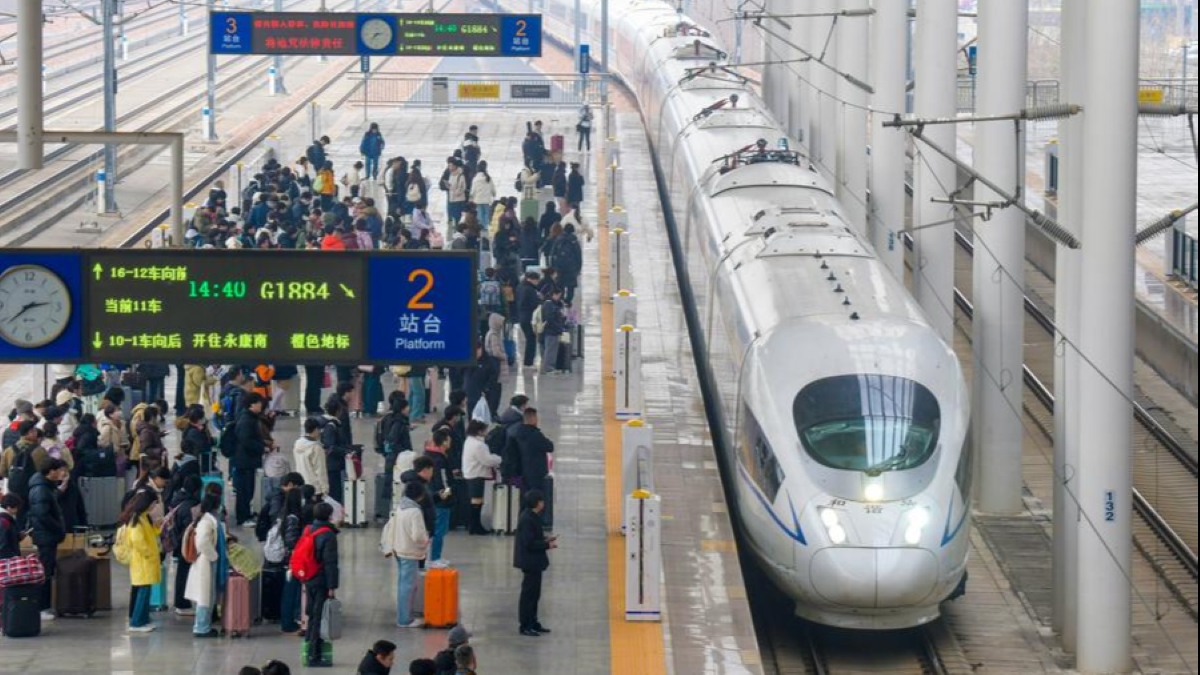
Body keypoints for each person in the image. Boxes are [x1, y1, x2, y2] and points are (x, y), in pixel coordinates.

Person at [121, 468, 168, 633]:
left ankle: (143, 619)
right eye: (153, 503)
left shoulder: (143, 518)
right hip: (143, 561)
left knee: (145, 591)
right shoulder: (137, 521)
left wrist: (158, 527)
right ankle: (136, 622)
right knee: (142, 592)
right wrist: (149, 553)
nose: (155, 506)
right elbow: (137, 541)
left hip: (146, 561)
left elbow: (150, 533)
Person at [382, 480, 429, 628]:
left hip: (399, 549)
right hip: (409, 551)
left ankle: (404, 614)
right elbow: (418, 535)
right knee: (408, 586)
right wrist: (426, 540)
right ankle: (404, 619)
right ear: (420, 496)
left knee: (403, 584)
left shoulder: (400, 507)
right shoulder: (415, 511)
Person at [28, 458, 68, 621]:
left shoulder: (46, 487)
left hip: (47, 535)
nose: (62, 473)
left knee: (47, 570)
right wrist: (58, 528)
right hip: (45, 536)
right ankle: (41, 607)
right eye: (59, 470)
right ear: (51, 471)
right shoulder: (41, 489)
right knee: (44, 571)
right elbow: (42, 514)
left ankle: (44, 606)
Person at [302, 502, 340, 668]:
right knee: (319, 617)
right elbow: (330, 562)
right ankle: (313, 655)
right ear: (330, 516)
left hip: (308, 577)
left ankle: (307, 647)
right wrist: (332, 586)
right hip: (321, 580)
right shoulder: (328, 535)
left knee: (312, 615)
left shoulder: (308, 529)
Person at [514, 490, 557, 636]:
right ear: (537, 503)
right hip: (530, 562)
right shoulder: (527, 519)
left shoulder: (532, 516)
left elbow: (533, 537)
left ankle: (533, 621)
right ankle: (525, 625)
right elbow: (529, 543)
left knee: (535, 594)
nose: (543, 503)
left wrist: (545, 540)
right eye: (542, 501)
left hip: (534, 562)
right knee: (529, 594)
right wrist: (547, 545)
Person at [185, 492, 227, 637]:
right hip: (206, 561)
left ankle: (204, 625)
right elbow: (202, 542)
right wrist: (214, 556)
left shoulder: (205, 519)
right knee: (205, 596)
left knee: (206, 595)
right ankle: (202, 627)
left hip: (206, 561)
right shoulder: (207, 522)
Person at [233, 393, 272, 526]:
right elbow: (246, 440)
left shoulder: (250, 417)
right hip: (244, 461)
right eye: (259, 403)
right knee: (244, 491)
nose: (261, 405)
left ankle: (247, 514)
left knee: (248, 489)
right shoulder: (246, 420)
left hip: (247, 461)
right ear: (252, 405)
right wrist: (262, 448)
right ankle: (242, 518)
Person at [168, 474, 202, 616]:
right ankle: (182, 603)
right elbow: (189, 527)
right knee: (184, 573)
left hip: (178, 542)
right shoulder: (189, 506)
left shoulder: (178, 499)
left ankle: (182, 602)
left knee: (183, 572)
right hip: (186, 544)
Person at [462, 420, 500, 536]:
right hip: (476, 475)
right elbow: (487, 461)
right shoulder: (479, 445)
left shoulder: (469, 441)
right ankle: (475, 526)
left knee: (475, 502)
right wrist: (499, 459)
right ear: (479, 431)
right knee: (477, 503)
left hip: (470, 474)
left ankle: (473, 525)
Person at [423, 429, 455, 566]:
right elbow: (443, 481)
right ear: (443, 442)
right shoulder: (439, 460)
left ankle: (434, 556)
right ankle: (434, 558)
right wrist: (448, 495)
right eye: (448, 439)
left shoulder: (431, 456)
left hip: (433, 497)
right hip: (441, 500)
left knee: (437, 529)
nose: (450, 441)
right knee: (439, 530)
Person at [278, 488, 306, 634]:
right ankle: (287, 622)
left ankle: (289, 620)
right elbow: (291, 540)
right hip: (293, 560)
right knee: (290, 591)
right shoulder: (293, 518)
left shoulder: (285, 516)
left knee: (292, 591)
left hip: (289, 559)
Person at [294, 417, 330, 497]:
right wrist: (325, 489)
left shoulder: (297, 444)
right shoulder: (316, 448)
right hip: (315, 488)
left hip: (301, 484)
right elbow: (320, 470)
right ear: (316, 429)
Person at [551, 223, 584, 305]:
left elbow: (553, 253)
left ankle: (560, 299)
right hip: (571, 268)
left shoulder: (559, 239)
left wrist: (553, 266)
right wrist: (578, 268)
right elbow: (578, 255)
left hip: (560, 267)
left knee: (560, 284)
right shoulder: (574, 240)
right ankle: (568, 300)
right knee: (570, 286)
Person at [516, 271, 542, 367]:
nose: (537, 282)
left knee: (529, 338)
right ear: (530, 279)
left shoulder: (520, 287)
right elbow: (533, 304)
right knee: (531, 339)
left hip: (522, 316)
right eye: (536, 280)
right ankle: (529, 362)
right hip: (529, 317)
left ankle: (528, 361)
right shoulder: (529, 289)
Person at [540, 286, 568, 375]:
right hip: (551, 331)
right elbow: (550, 319)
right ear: (554, 294)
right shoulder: (549, 304)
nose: (559, 297)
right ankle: (548, 368)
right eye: (559, 295)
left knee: (552, 349)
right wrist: (559, 329)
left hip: (553, 330)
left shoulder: (553, 303)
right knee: (550, 350)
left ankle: (550, 367)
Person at [0, 493, 22, 559]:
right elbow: (3, 546)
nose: (17, 510)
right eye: (16, 507)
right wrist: (14, 557)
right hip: (8, 560)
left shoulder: (7, 519)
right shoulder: (4, 521)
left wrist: (18, 537)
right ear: (9, 507)